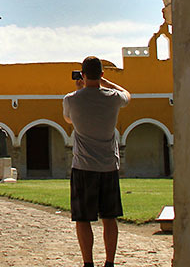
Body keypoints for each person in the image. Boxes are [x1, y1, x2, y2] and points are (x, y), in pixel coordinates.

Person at [62, 56, 131, 267]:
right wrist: (106, 83)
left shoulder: (71, 99)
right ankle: (109, 262)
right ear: (101, 74)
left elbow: (68, 120)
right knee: (109, 217)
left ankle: (88, 263)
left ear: (82, 75)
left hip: (83, 167)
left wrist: (79, 88)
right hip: (108, 166)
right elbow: (128, 94)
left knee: (83, 219)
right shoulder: (113, 98)